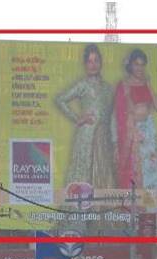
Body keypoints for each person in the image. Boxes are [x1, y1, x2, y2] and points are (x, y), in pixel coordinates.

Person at [55, 44, 115, 189]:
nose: (93, 64)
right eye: (89, 61)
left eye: (96, 60)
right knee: (83, 174)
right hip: (86, 138)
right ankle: (80, 211)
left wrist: (115, 141)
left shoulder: (108, 88)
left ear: (101, 63)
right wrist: (78, 119)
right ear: (85, 64)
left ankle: (102, 210)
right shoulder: (83, 85)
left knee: (104, 174)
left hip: (104, 139)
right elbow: (60, 100)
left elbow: (112, 115)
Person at [113, 48, 157, 191]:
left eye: (142, 65)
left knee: (150, 168)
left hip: (149, 131)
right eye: (136, 64)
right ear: (130, 65)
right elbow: (118, 113)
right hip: (132, 132)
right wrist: (131, 127)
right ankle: (134, 205)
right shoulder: (124, 85)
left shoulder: (146, 84)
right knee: (134, 168)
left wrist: (149, 84)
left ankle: (149, 205)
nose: (139, 68)